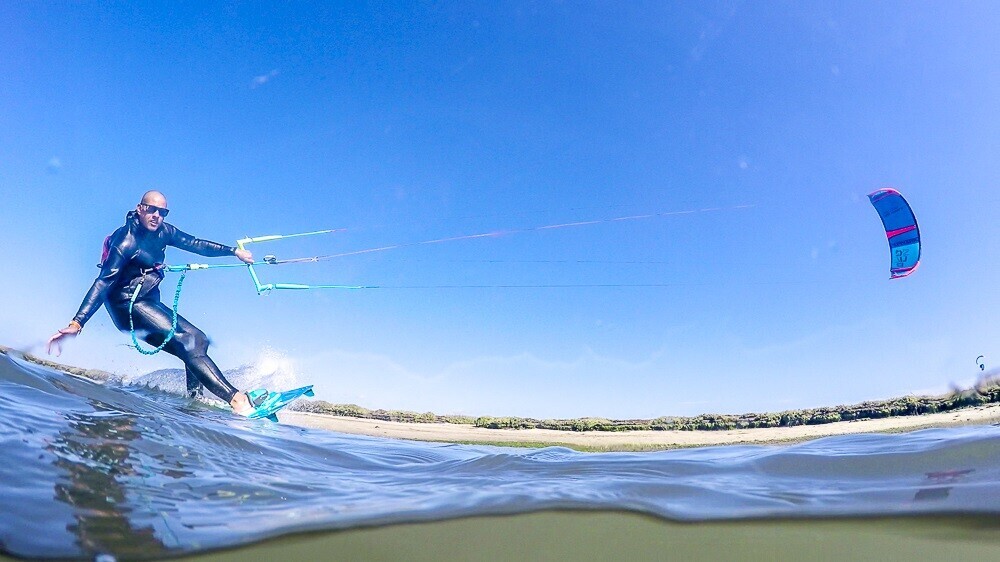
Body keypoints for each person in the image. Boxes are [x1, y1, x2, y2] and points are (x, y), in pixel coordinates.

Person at [47, 191, 256, 415]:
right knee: (188, 342)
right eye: (151, 209)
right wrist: (77, 323)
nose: (157, 215)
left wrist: (233, 252)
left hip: (149, 302)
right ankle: (237, 399)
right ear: (140, 208)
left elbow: (195, 244)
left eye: (162, 212)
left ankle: (195, 401)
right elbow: (103, 282)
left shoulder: (165, 232)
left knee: (198, 339)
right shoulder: (126, 241)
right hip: (126, 306)